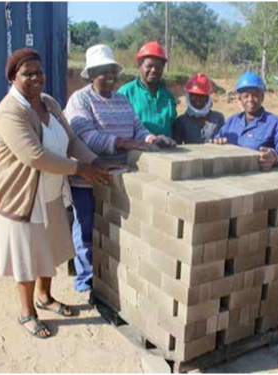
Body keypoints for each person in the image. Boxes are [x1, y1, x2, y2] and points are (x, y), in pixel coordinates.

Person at [0, 48, 111, 339]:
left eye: (38, 72)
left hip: (52, 191)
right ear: (13, 77)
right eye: (27, 73)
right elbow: (34, 156)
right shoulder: (10, 111)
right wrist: (79, 168)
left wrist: (93, 161)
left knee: (50, 249)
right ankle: (26, 312)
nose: (35, 78)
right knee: (26, 257)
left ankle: (45, 297)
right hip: (21, 196)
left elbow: (70, 140)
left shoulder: (49, 103)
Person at [64, 44, 175, 293]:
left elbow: (137, 128)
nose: (110, 77)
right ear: (91, 74)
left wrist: (151, 139)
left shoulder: (121, 99)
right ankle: (85, 282)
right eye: (103, 71)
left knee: (112, 230)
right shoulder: (80, 99)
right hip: (87, 177)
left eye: (113, 71)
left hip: (119, 177)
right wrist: (123, 142)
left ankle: (108, 279)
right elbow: (85, 136)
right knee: (85, 229)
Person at [211, 71, 278, 171]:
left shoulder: (275, 124)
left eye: (255, 95)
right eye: (246, 96)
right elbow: (218, 140)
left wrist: (276, 157)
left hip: (261, 180)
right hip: (232, 176)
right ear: (239, 98)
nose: (250, 99)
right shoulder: (231, 122)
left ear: (262, 97)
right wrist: (217, 143)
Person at [117, 41, 177, 137]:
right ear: (139, 65)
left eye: (158, 67)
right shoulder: (125, 93)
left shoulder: (168, 96)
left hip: (167, 150)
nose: (154, 70)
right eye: (149, 66)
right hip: (135, 151)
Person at [173, 73, 224, 144]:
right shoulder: (180, 122)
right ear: (188, 96)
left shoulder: (218, 118)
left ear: (208, 97)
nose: (198, 99)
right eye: (194, 95)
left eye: (202, 95)